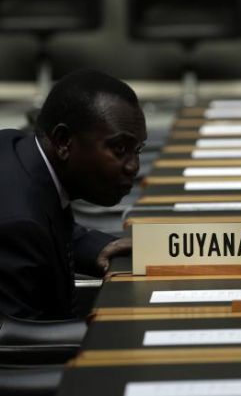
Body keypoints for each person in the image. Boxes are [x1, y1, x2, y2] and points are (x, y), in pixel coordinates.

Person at [0, 69, 147, 319]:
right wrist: (117, 327)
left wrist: (97, 247)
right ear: (63, 141)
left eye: (138, 150)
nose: (133, 166)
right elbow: (17, 347)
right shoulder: (17, 226)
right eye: (119, 148)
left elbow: (46, 221)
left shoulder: (18, 149)